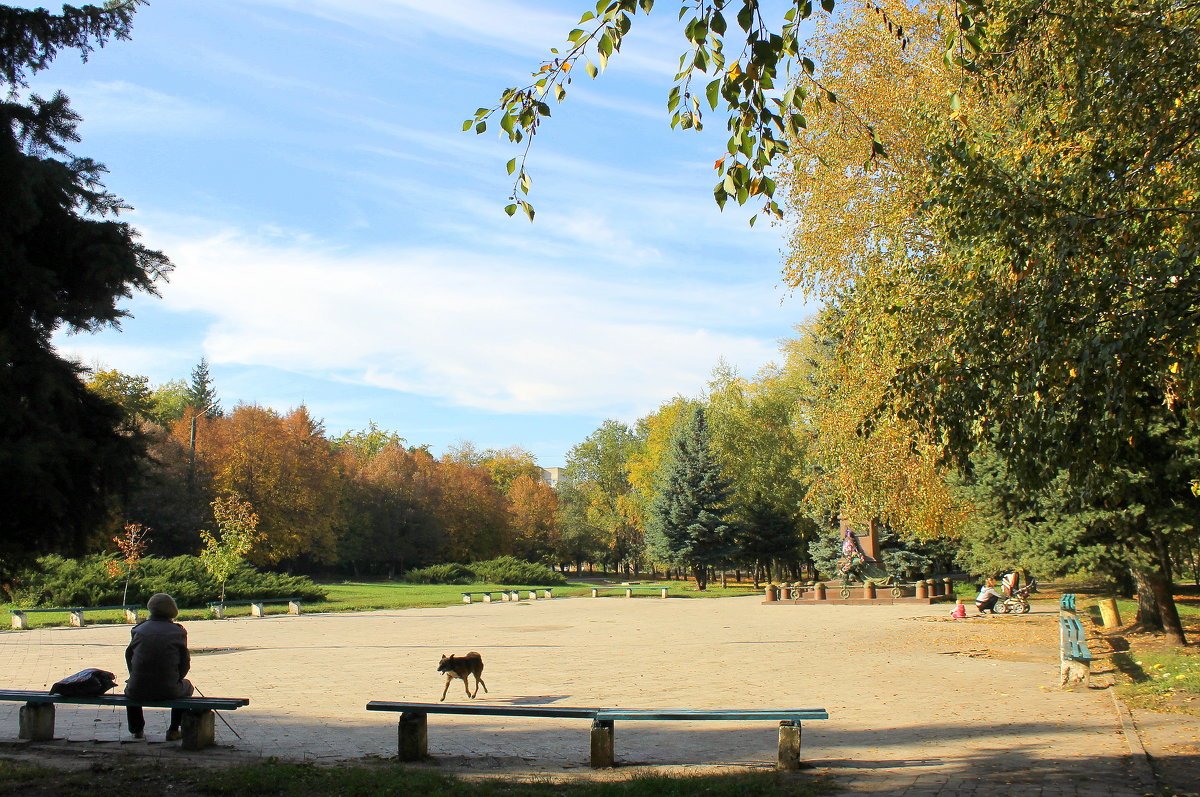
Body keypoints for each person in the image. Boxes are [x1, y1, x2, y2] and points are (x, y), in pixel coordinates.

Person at [125, 593, 194, 741]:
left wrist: (134, 675)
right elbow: (184, 663)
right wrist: (178, 678)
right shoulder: (178, 632)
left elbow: (129, 656)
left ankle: (137, 730)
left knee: (130, 687)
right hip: (168, 689)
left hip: (138, 688)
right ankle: (174, 729)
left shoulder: (138, 630)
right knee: (187, 686)